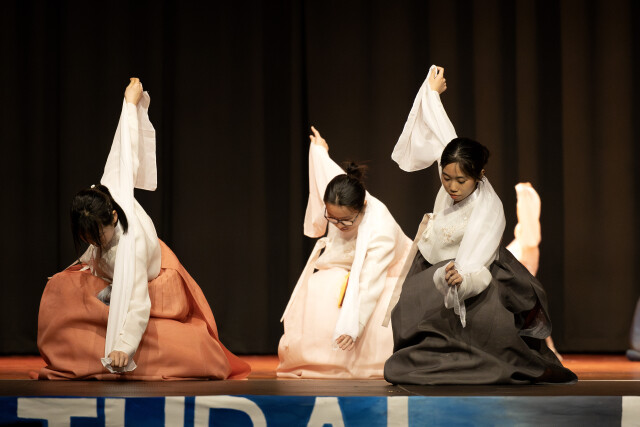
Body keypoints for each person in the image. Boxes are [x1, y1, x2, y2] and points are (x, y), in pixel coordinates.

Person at [36, 78, 250, 380]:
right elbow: (125, 151)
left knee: (171, 347)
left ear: (113, 217)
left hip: (153, 283)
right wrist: (129, 104)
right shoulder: (110, 191)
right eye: (85, 236)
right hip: (113, 282)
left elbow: (137, 301)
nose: (91, 241)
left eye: (95, 235)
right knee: (61, 292)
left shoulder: (130, 246)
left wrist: (124, 347)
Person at [383, 66, 576, 385]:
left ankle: (473, 363)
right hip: (433, 265)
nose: (452, 186)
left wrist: (462, 278)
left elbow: (477, 263)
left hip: (475, 269)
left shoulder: (488, 209)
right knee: (408, 313)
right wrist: (431, 93)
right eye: (446, 177)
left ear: (479, 175)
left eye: (461, 180)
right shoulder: (452, 165)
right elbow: (442, 129)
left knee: (485, 333)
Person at [277, 127, 411, 378]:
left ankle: (353, 361)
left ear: (363, 206)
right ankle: (314, 356)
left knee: (362, 305)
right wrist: (320, 150)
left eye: (346, 221)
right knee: (319, 286)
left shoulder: (380, 229)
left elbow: (370, 282)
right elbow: (326, 171)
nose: (338, 225)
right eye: (332, 218)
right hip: (347, 264)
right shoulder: (341, 190)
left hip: (390, 273)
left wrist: (354, 325)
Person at [506, 182, 562, 361]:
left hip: (523, 287)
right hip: (518, 286)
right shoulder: (524, 239)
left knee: (533, 314)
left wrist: (524, 193)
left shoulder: (529, 240)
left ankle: (547, 350)